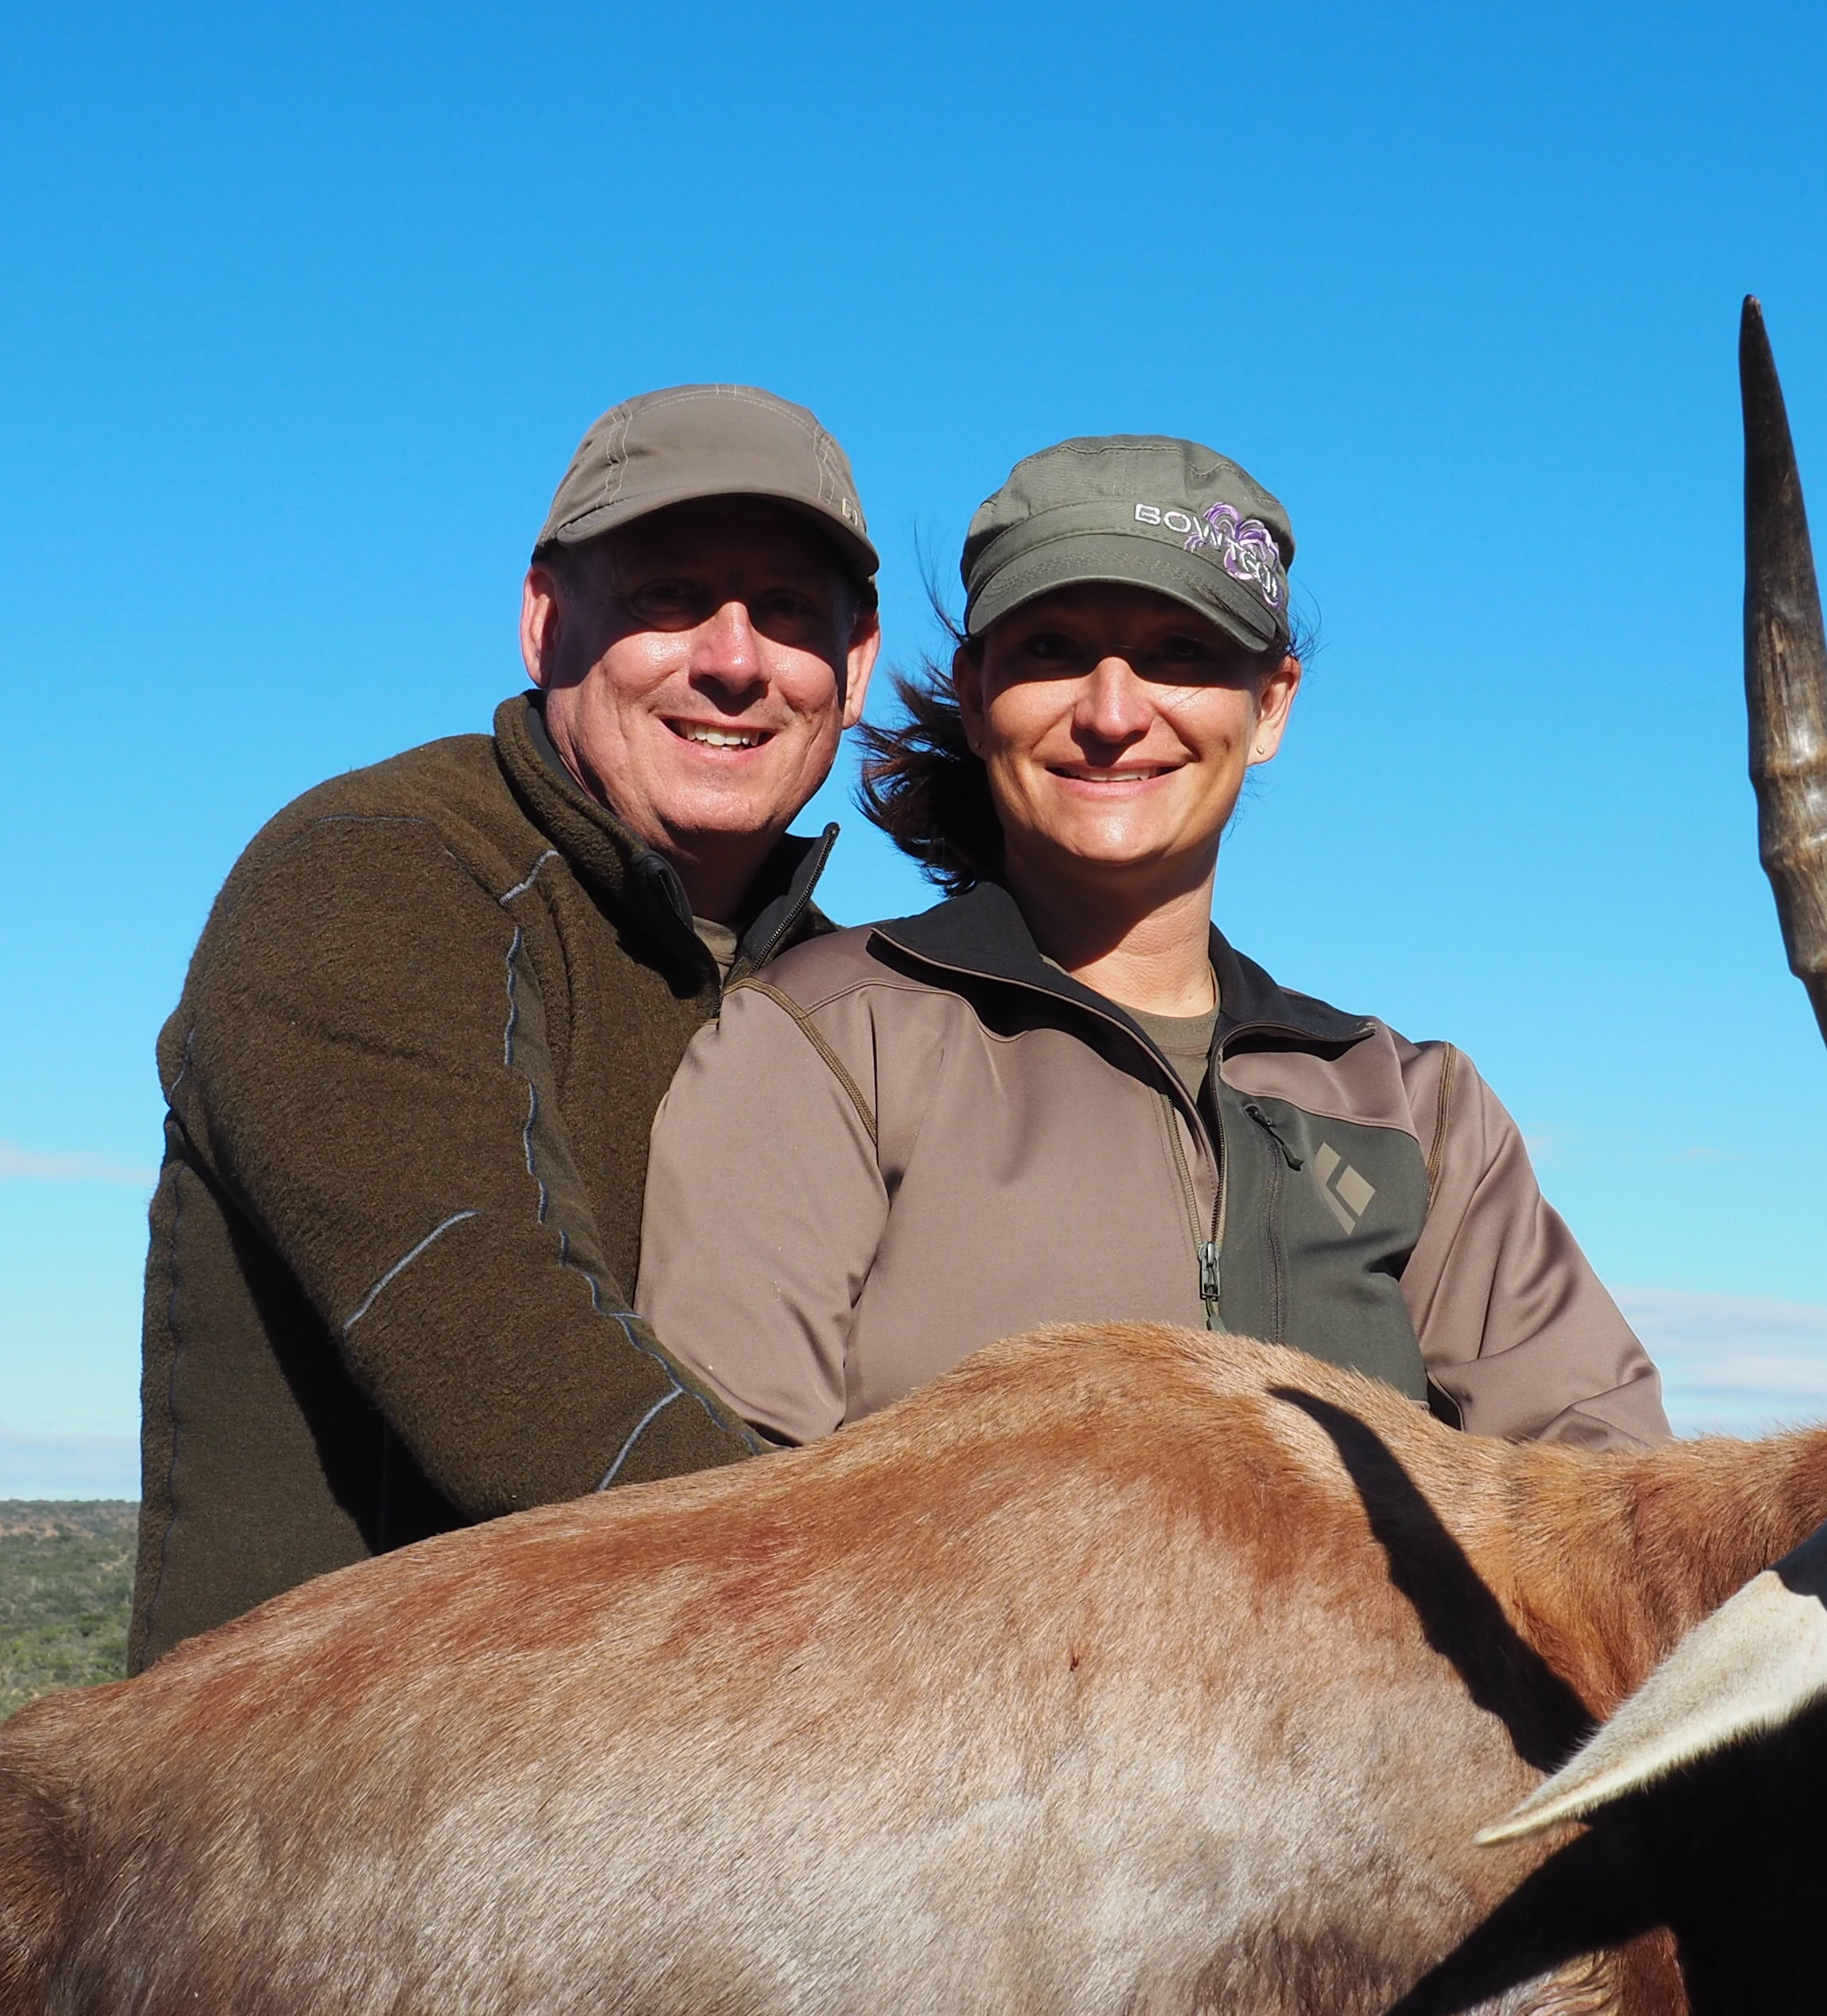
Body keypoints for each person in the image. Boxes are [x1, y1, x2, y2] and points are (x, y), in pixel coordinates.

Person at [638, 434, 1667, 1450]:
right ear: (976, 690)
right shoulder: (827, 1042)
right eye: (1053, 650)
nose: (1114, 714)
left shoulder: (1417, 1109)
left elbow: (1613, 1504)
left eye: (1183, 655)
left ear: (1270, 707)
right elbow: (719, 1526)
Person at [130, 385, 882, 1668]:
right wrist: (891, 1630)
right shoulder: (379, 873)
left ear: (854, 668)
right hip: (321, 1791)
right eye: (667, 596)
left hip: (679, 1790)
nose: (735, 660)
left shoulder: (836, 993)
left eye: (789, 614)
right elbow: (508, 1357)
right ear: (544, 620)